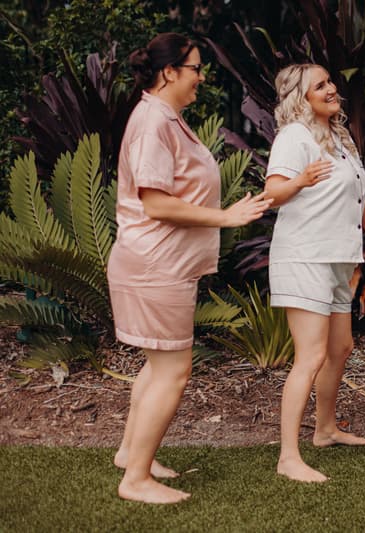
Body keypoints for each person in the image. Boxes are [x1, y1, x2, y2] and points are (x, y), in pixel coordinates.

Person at [108, 33, 272, 504]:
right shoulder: (152, 122)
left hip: (163, 264)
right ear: (169, 72)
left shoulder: (166, 118)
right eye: (196, 67)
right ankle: (136, 480)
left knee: (158, 363)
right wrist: (225, 217)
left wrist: (235, 207)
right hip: (155, 264)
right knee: (173, 370)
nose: (202, 76)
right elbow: (157, 202)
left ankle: (129, 454)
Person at [264, 63, 365, 482]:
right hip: (304, 257)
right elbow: (272, 193)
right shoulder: (294, 138)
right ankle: (288, 456)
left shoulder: (341, 141)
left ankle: (325, 430)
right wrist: (301, 181)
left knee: (340, 348)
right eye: (320, 85)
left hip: (338, 260)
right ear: (301, 98)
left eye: (330, 82)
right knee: (310, 355)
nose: (331, 88)